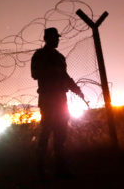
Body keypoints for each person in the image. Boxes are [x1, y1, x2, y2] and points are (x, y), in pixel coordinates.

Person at [31, 27, 85, 179]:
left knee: (60, 136)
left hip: (61, 100)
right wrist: (53, 71)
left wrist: (77, 90)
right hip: (48, 100)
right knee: (46, 133)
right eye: (55, 37)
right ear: (48, 38)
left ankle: (60, 169)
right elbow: (35, 74)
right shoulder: (40, 55)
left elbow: (66, 77)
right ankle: (40, 170)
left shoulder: (59, 57)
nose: (58, 40)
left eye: (58, 37)